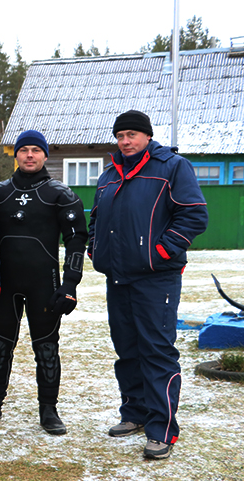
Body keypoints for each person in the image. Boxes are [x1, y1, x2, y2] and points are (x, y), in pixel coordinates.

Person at [88, 110, 208, 460]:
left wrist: (161, 251)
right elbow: (97, 217)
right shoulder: (110, 174)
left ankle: (162, 429)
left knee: (156, 352)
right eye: (120, 136)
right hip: (118, 277)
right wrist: (97, 249)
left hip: (156, 279)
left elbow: (194, 215)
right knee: (127, 350)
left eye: (132, 135)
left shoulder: (172, 167)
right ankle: (134, 414)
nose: (125, 141)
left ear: (146, 136)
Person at [0, 130, 88, 435]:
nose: (30, 155)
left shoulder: (61, 194)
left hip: (43, 284)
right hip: (3, 285)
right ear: (15, 155)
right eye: (24, 150)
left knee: (46, 348)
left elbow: (77, 240)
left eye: (36, 150)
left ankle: (49, 410)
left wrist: (70, 285)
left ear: (45, 155)